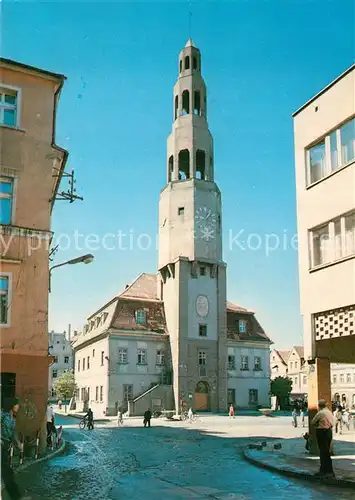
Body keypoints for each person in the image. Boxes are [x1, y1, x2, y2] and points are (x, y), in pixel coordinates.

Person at [1, 398, 31, 500]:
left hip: (5, 448)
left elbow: (13, 434)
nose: (18, 406)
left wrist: (18, 444)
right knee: (7, 473)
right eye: (17, 405)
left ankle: (17, 497)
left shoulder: (13, 419)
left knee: (8, 473)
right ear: (12, 406)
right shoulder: (1, 415)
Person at [311, 399, 334, 478]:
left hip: (321, 432)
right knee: (326, 452)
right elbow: (334, 422)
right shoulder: (329, 412)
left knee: (323, 452)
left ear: (319, 406)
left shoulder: (320, 413)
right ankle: (329, 471)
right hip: (329, 432)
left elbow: (313, 422)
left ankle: (323, 470)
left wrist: (318, 425)